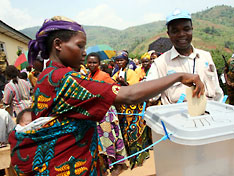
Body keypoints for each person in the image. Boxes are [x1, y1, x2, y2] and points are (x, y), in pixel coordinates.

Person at [8, 16, 204, 176]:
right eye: (80, 46)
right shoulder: (65, 79)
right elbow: (130, 95)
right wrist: (178, 76)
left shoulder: (45, 75)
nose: (84, 53)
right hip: (69, 167)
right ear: (58, 44)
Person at [147, 9, 223, 105]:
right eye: (175, 31)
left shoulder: (206, 57)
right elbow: (150, 96)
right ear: (168, 34)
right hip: (177, 118)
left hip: (210, 116)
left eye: (186, 29)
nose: (181, 34)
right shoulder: (160, 63)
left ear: (192, 29)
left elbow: (217, 92)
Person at [87, 52, 127, 175]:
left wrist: (118, 110)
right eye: (90, 62)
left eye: (94, 62)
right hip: (96, 113)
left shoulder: (104, 76)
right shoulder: (88, 76)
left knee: (111, 138)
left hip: (107, 112)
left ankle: (118, 165)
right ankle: (107, 165)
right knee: (102, 141)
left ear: (99, 64)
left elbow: (115, 90)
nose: (92, 64)